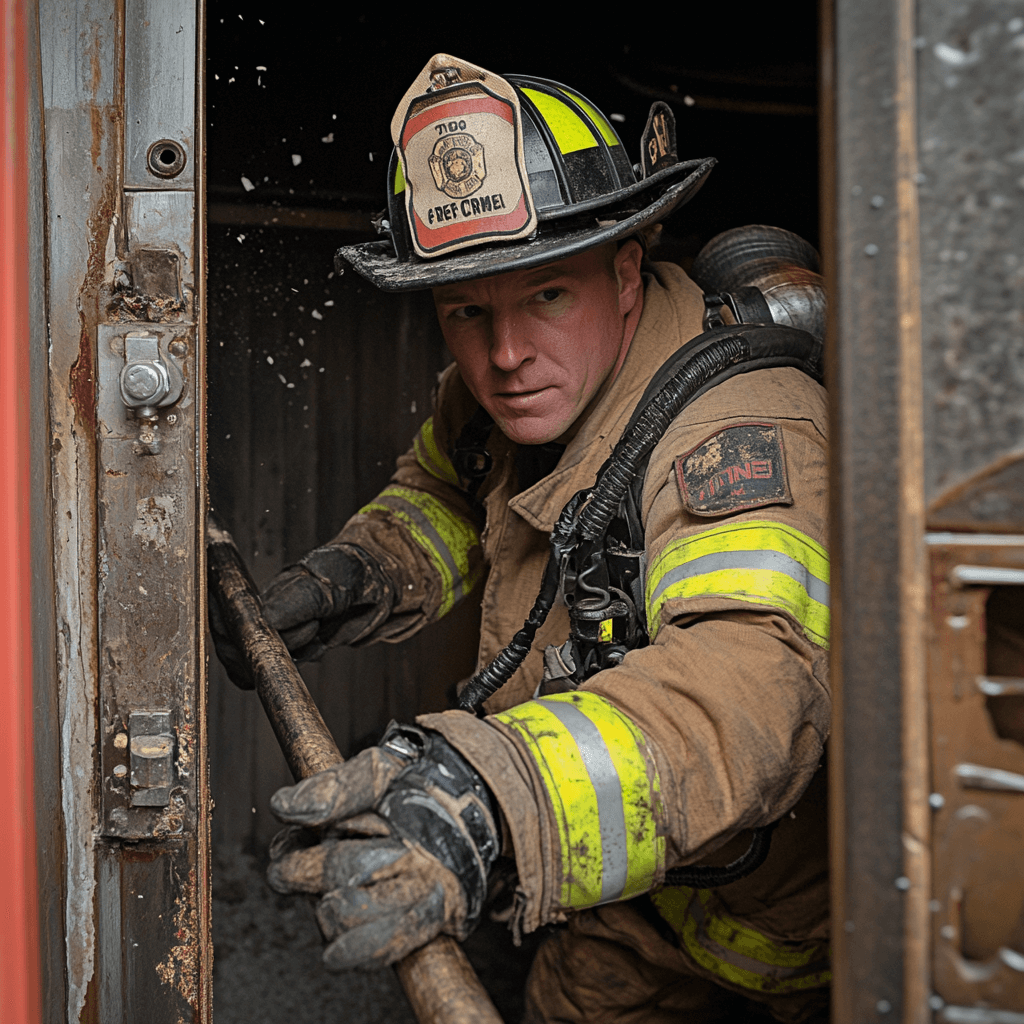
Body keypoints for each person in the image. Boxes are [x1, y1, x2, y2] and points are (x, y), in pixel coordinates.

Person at [214, 53, 832, 1023]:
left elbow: (752, 684)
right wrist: (349, 576)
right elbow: (447, 498)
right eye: (467, 311)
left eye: (548, 296)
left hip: (781, 946)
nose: (504, 355)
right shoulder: (499, 399)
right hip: (613, 914)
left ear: (626, 272)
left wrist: (489, 797)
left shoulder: (740, 432)